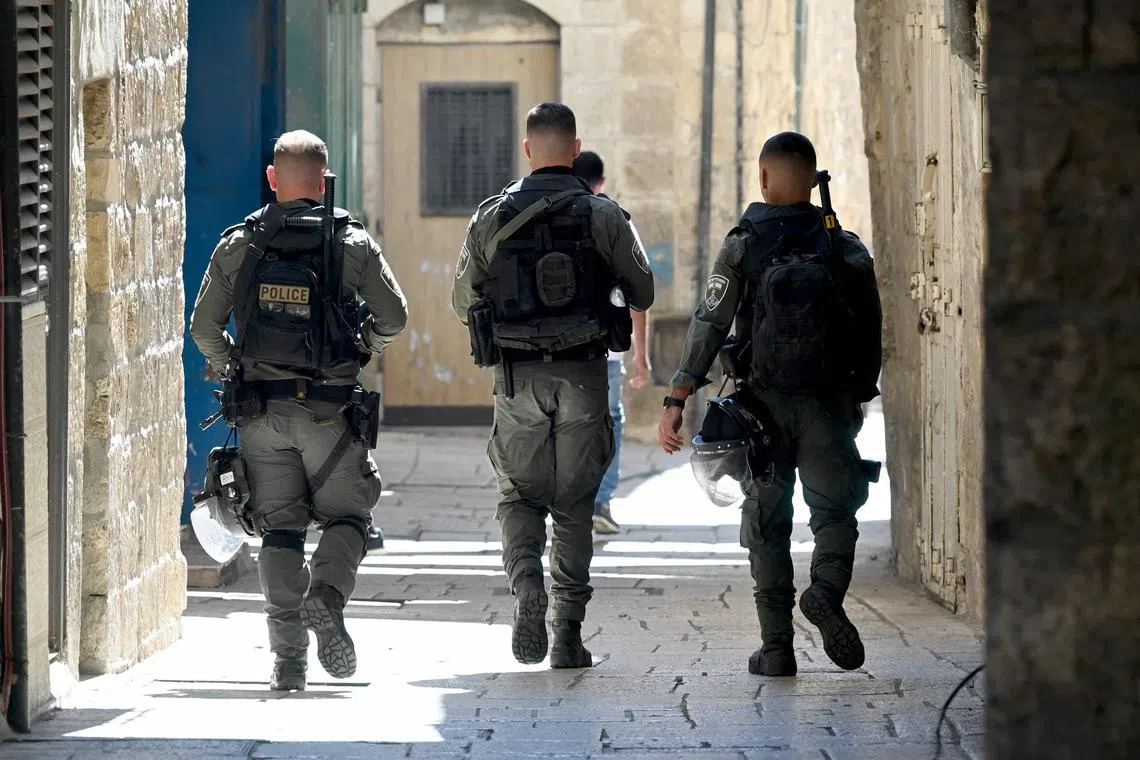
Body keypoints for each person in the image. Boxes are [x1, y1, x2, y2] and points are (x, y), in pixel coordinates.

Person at [189, 130, 408, 691]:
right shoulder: (352, 244)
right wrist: (360, 349)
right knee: (349, 517)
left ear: (272, 179)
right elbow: (394, 317)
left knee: (279, 532)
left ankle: (289, 661)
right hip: (331, 414)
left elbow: (203, 327)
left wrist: (234, 365)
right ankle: (327, 598)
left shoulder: (241, 243)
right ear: (324, 179)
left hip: (261, 414)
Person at [658, 132, 882, 677]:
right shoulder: (843, 246)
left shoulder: (743, 243)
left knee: (767, 519)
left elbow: (709, 323)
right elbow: (872, 327)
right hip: (829, 404)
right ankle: (825, 590)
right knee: (835, 512)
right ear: (812, 180)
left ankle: (777, 649)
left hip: (760, 407)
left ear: (762, 178)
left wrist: (677, 397)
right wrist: (857, 393)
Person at [452, 103, 654, 669]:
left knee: (518, 494)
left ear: (526, 149)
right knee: (574, 502)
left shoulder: (491, 216)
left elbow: (460, 299)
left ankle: (526, 589)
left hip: (518, 378)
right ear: (575, 147)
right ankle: (567, 635)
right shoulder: (604, 215)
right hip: (586, 374)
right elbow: (643, 291)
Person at [571, 151, 652, 535]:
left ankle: (567, 502)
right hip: (605, 348)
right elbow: (639, 292)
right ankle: (600, 503)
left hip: (558, 348)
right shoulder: (614, 219)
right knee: (609, 422)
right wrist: (642, 358)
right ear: (601, 182)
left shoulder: (544, 213)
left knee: (564, 425)